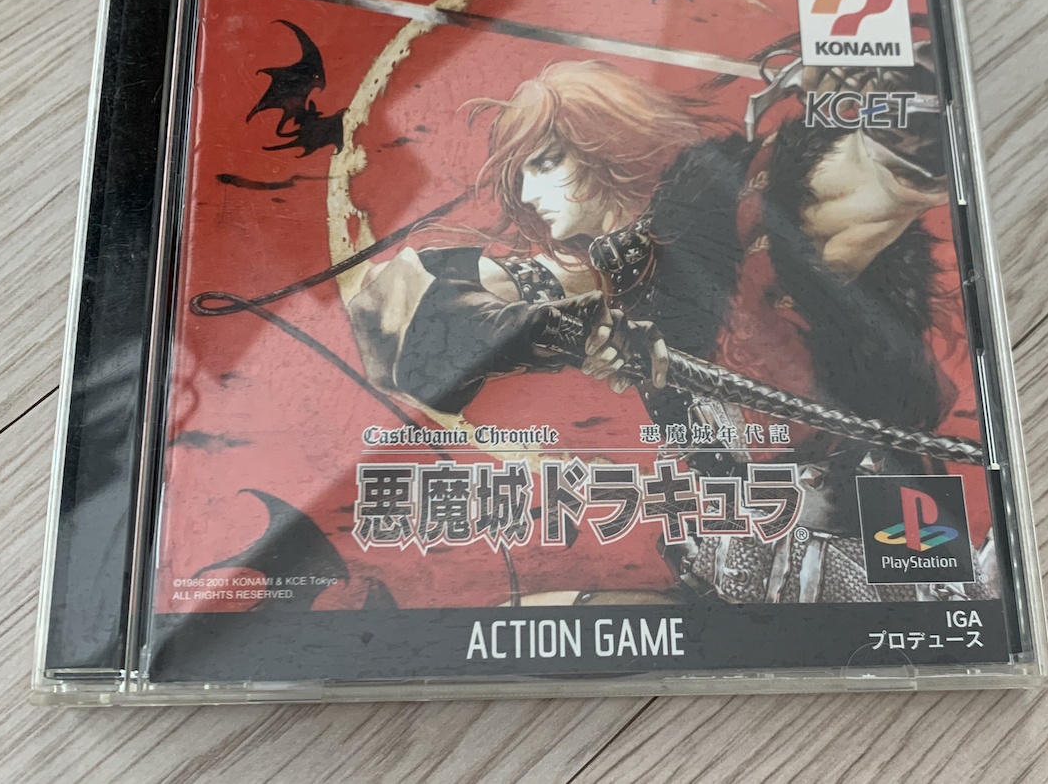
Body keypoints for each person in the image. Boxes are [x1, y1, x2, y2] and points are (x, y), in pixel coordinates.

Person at [348, 57, 996, 603]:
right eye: (521, 172)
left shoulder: (740, 202)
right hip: (740, 562)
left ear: (606, 144)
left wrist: (884, 97)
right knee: (520, 620)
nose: (529, 190)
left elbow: (883, 172)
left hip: (871, 550)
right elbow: (395, 318)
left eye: (545, 161)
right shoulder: (604, 270)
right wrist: (569, 331)